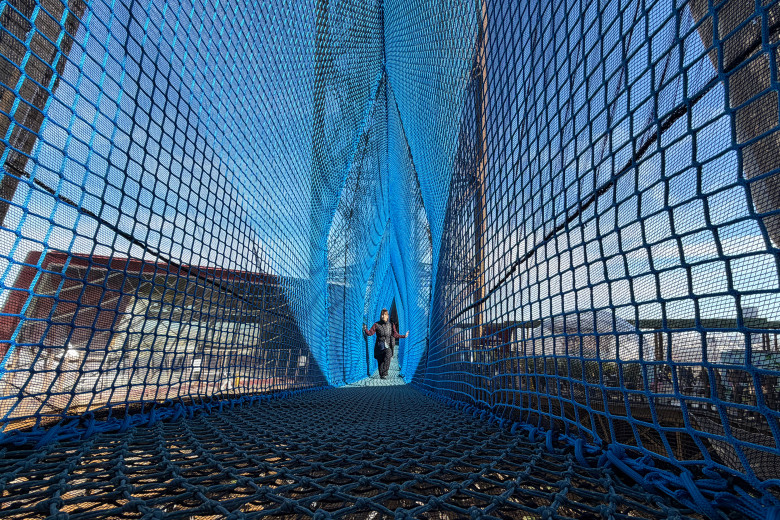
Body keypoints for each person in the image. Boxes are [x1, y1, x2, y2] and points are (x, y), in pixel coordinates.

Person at [363, 308, 408, 379]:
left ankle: (385, 372)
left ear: (387, 316)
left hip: (387, 346)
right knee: (380, 362)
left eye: (385, 315)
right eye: (382, 315)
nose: (383, 316)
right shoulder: (376, 324)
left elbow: (395, 334)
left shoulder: (390, 325)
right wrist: (365, 329)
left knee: (389, 353)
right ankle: (382, 374)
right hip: (379, 346)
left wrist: (404, 336)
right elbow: (370, 333)